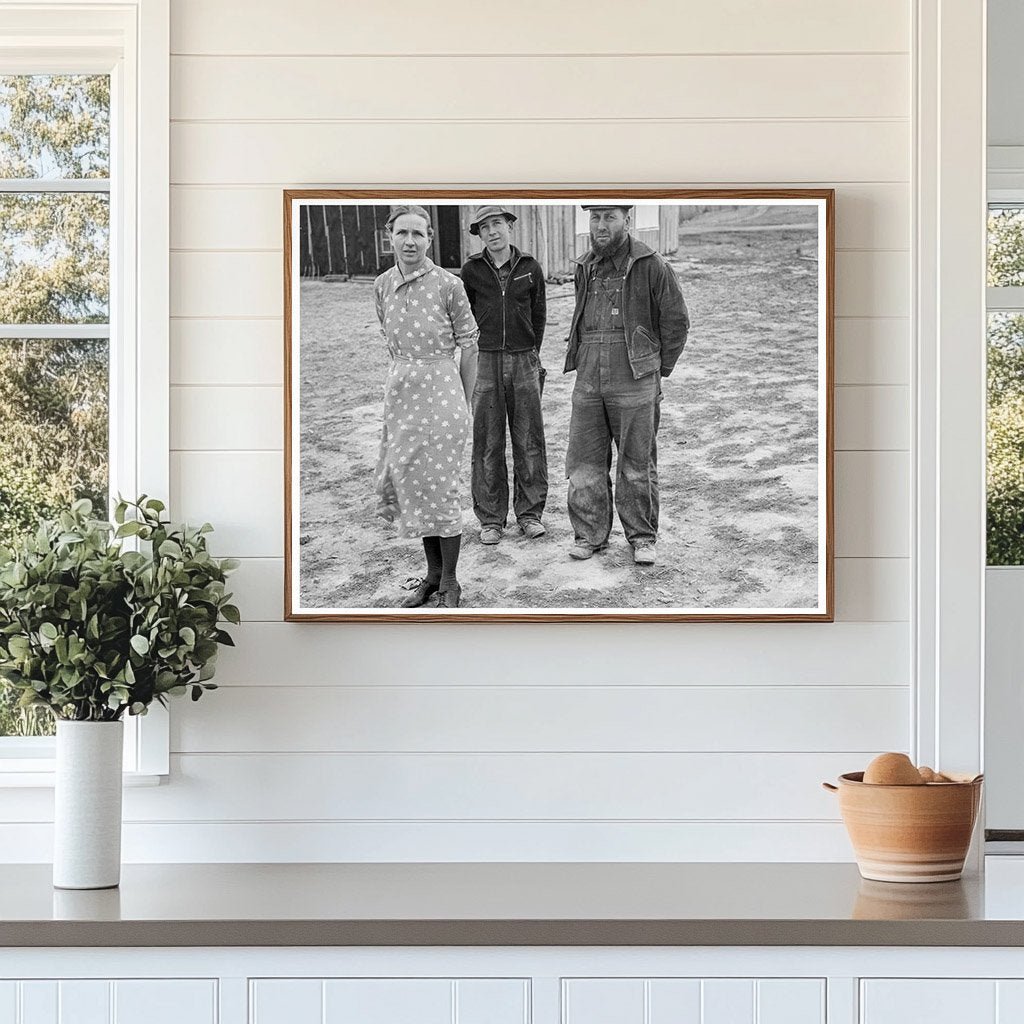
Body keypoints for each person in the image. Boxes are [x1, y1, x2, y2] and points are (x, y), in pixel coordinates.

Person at [563, 205, 689, 566]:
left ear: (627, 221)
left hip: (635, 377)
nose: (601, 226)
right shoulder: (584, 265)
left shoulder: (651, 265)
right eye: (595, 218)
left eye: (610, 218)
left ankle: (642, 537)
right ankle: (589, 535)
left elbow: (677, 322)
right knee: (584, 462)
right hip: (588, 375)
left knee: (636, 463)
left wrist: (655, 370)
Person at [374, 205, 479, 608]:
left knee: (442, 487)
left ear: (430, 239)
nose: (410, 241)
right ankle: (432, 576)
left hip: (442, 393)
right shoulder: (382, 285)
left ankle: (451, 581)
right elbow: (389, 337)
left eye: (419, 234)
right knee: (415, 486)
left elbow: (470, 346)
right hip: (401, 396)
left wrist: (464, 401)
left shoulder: (449, 285)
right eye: (403, 233)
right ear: (391, 237)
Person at [460, 205, 548, 544]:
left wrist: (529, 351)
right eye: (484, 228)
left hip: (524, 360)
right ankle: (491, 519)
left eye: (497, 224)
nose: (492, 232)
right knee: (487, 440)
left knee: (529, 438)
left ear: (509, 226)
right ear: (480, 235)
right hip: (485, 361)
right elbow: (464, 317)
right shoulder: (471, 271)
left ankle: (529, 514)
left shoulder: (530, 267)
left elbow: (538, 315)